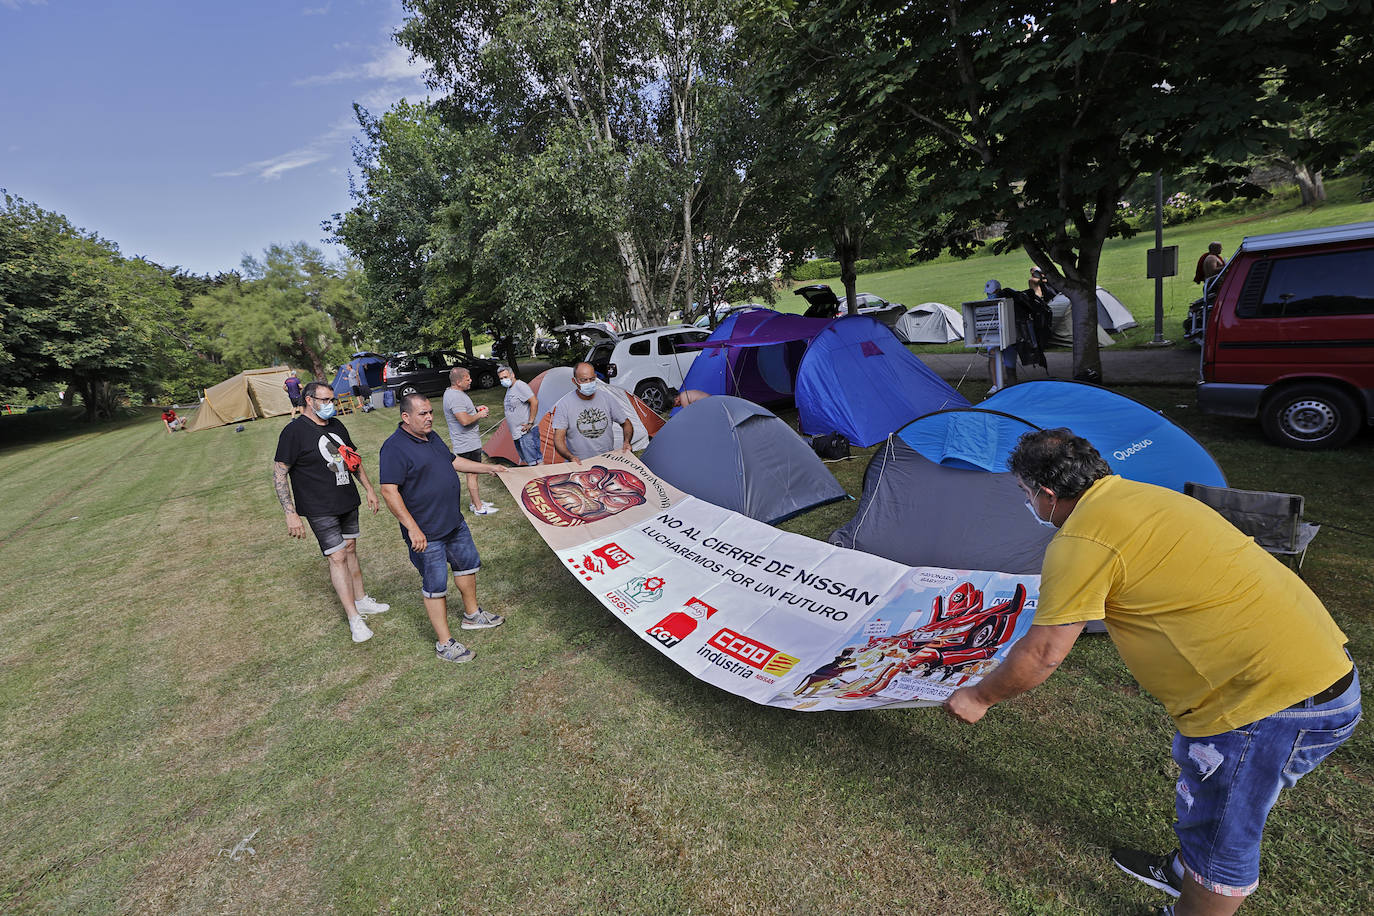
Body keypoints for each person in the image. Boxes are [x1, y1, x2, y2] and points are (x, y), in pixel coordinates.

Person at [943, 428, 1359, 916]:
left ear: (1048, 495)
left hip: (1269, 704)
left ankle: (1195, 891)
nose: (1028, 503)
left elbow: (1043, 655)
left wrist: (979, 697)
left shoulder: (1081, 539)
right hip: (1317, 671)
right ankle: (1183, 871)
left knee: (1221, 838)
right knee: (1206, 788)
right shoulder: (1143, 495)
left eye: (1024, 493)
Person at [379, 392, 508, 664]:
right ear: (405, 417)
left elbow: (453, 461)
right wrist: (413, 529)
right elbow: (389, 492)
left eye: (430, 412)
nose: (429, 418)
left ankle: (472, 616)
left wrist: (489, 468)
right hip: (426, 533)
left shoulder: (432, 436)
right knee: (435, 585)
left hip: (453, 522)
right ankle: (444, 643)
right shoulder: (394, 448)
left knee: (467, 566)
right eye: (422, 414)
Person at [272, 381, 389, 644]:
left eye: (332, 400)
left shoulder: (337, 426)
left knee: (349, 549)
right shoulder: (294, 432)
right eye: (325, 400)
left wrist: (369, 489)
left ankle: (362, 601)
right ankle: (354, 620)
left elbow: (353, 460)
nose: (330, 405)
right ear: (309, 400)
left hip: (346, 499)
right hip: (318, 506)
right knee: (336, 557)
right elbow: (280, 472)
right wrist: (290, 513)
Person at [551, 362, 635, 463]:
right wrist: (570, 457)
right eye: (584, 380)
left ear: (595, 377)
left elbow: (626, 423)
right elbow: (558, 439)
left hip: (607, 459)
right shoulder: (564, 404)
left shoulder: (607, 398)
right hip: (579, 463)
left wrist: (627, 442)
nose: (588, 383)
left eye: (591, 379)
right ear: (574, 381)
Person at [442, 367, 497, 516]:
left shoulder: (456, 394)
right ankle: (479, 508)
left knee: (473, 474)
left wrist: (475, 409)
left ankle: (474, 503)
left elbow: (464, 412)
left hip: (469, 442)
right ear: (458, 382)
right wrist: (479, 414)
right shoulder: (455, 397)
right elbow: (464, 420)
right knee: (472, 474)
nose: (471, 380)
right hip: (466, 444)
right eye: (467, 379)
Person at [498, 365, 541, 466]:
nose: (503, 380)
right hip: (517, 433)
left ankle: (542, 480)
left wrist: (530, 422)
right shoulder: (510, 388)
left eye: (505, 377)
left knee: (535, 461)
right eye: (501, 378)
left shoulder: (520, 386)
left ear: (512, 375)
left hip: (526, 432)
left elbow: (534, 402)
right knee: (529, 461)